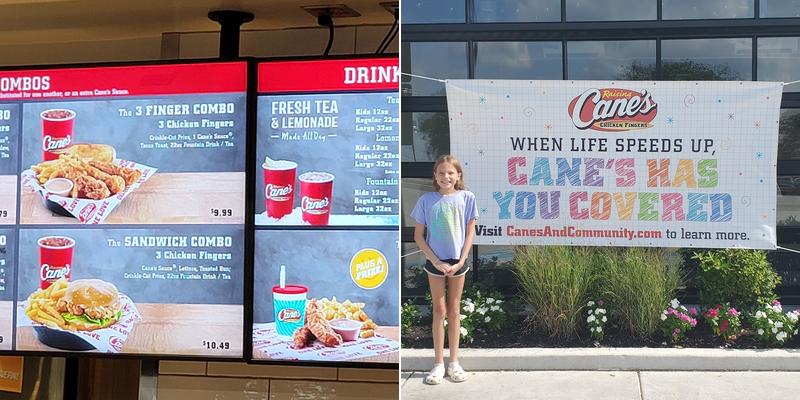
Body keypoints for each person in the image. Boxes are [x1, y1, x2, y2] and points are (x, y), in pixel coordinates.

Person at [410, 154, 478, 385]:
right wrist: (436, 261)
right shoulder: (426, 200)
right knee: (439, 310)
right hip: (435, 261)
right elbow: (418, 236)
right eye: (441, 173)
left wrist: (461, 260)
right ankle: (438, 363)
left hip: (458, 261)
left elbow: (470, 232)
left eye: (450, 173)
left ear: (458, 175)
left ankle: (454, 362)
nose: (446, 177)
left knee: (454, 309)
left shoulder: (467, 198)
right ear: (435, 176)